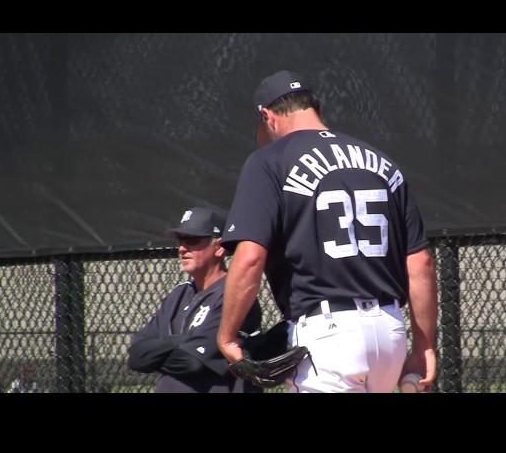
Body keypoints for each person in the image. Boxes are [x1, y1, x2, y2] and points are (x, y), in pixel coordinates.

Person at [217, 70, 438, 393]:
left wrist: (226, 335)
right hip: (390, 331)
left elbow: (250, 259)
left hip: (328, 336)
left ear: (267, 116)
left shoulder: (269, 161)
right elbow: (420, 263)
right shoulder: (381, 161)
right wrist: (424, 346)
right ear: (313, 107)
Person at [128, 206, 263, 393]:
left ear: (219, 247)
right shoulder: (178, 294)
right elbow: (137, 357)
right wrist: (181, 342)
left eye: (192, 240)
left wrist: (161, 348)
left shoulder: (234, 296)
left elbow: (192, 362)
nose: (182, 248)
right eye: (180, 240)